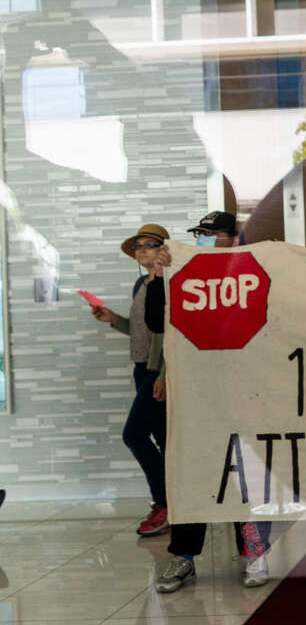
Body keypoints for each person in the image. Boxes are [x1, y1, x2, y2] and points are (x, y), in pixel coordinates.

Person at [144, 211, 274, 592]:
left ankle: (253, 550)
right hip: (196, 393)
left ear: (231, 238)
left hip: (243, 393)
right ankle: (183, 556)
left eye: (208, 233)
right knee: (193, 472)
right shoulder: (185, 272)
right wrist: (160, 275)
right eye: (197, 234)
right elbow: (155, 321)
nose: (201, 239)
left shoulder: (253, 270)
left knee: (243, 474)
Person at [90, 223, 170, 537]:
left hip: (157, 371)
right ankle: (173, 505)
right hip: (142, 369)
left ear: (163, 249)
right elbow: (141, 332)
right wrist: (114, 319)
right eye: (138, 246)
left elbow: (171, 333)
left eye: (149, 244)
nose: (142, 250)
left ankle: (164, 503)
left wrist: (163, 374)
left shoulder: (171, 283)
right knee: (162, 439)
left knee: (134, 435)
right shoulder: (140, 283)